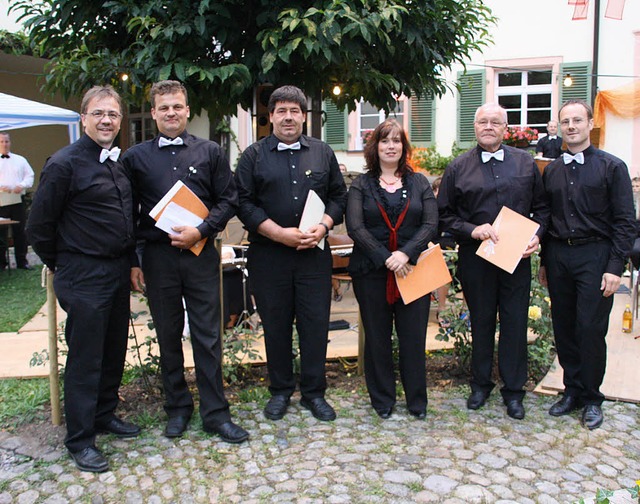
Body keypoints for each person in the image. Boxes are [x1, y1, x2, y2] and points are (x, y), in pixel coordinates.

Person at [122, 80, 248, 443]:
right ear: (154, 112)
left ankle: (215, 413)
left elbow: (229, 200)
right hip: (157, 257)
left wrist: (203, 230)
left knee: (209, 336)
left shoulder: (210, 152)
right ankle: (177, 409)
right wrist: (134, 260)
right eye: (164, 107)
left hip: (200, 254)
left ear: (187, 110)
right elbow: (127, 213)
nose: (171, 113)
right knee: (167, 335)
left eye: (177, 106)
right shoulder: (135, 158)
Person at [26, 86, 140, 473]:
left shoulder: (117, 163)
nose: (106, 120)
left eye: (113, 114)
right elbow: (39, 226)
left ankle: (104, 415)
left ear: (120, 121)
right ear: (83, 118)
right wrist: (64, 265)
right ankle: (79, 439)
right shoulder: (63, 164)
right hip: (82, 272)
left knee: (113, 349)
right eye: (98, 114)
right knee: (86, 357)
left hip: (116, 269)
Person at [235, 85, 347, 422]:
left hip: (313, 255)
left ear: (303, 115)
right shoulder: (253, 156)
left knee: (314, 326)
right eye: (281, 111)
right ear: (270, 117)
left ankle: (314, 393)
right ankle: (280, 391)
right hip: (269, 256)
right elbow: (243, 202)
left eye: (294, 111)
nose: (288, 117)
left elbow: (339, 197)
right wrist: (278, 233)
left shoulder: (323, 152)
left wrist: (325, 225)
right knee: (276, 326)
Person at [438, 103, 549, 420]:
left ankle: (514, 392)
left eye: (495, 122)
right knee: (482, 322)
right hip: (476, 258)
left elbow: (542, 210)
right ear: (474, 126)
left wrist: (536, 236)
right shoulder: (458, 167)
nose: (488, 126)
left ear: (506, 127)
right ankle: (480, 385)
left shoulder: (526, 163)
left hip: (516, 257)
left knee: (515, 324)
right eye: (482, 121)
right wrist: (473, 230)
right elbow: (444, 215)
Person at [539, 99, 636, 430]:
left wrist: (615, 266)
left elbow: (625, 222)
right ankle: (572, 391)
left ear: (590, 123)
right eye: (565, 121)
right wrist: (543, 262)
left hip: (596, 256)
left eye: (577, 120)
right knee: (564, 327)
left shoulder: (612, 167)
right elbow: (546, 217)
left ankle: (593, 399)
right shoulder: (551, 170)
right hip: (558, 255)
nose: (571, 126)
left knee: (590, 329)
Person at [346, 119, 437, 419]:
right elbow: (356, 226)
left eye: (397, 141)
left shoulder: (420, 182)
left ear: (403, 147)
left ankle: (416, 401)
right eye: (385, 141)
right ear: (375, 147)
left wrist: (405, 254)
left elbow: (430, 224)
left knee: (413, 338)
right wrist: (387, 257)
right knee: (377, 336)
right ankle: (383, 399)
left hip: (414, 271)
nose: (391, 146)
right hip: (371, 271)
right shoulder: (361, 184)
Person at [0, 131, 35, 270]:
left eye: (6, 141)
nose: (4, 144)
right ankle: (1, 263)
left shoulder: (20, 160)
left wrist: (21, 185)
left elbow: (30, 176)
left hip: (17, 200)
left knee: (20, 231)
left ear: (10, 142)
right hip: (1, 201)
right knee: (1, 233)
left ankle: (22, 262)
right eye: (1, 141)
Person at [430, 176, 456, 327]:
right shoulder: (430, 207)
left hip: (454, 246)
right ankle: (442, 308)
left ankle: (466, 309)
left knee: (470, 267)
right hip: (434, 247)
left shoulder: (454, 207)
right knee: (444, 265)